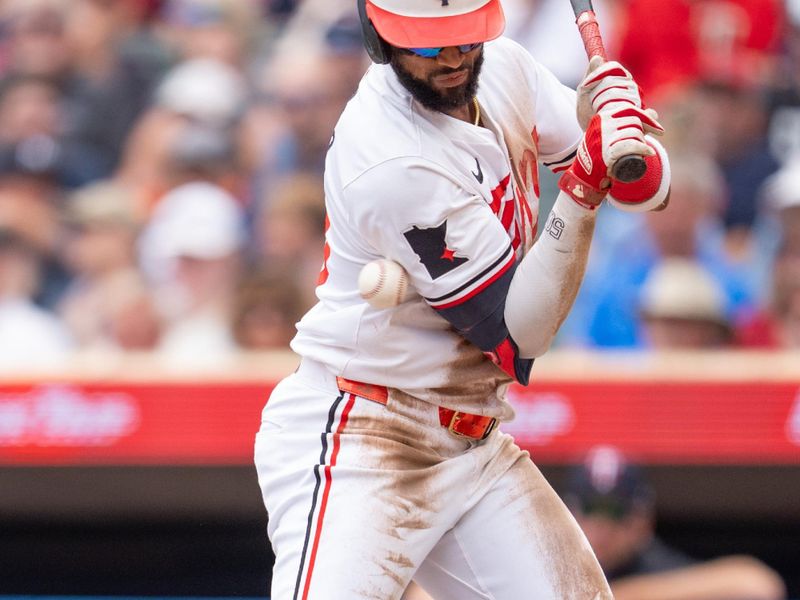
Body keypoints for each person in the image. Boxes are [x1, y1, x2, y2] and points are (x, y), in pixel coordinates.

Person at [253, 0, 670, 598]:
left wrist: (624, 131)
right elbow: (519, 337)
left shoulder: (504, 67)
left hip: (473, 439)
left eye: (463, 37)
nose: (451, 58)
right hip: (366, 435)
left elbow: (646, 190)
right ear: (381, 38)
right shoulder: (389, 157)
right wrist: (580, 188)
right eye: (428, 43)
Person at [563, 446, 787, 600]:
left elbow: (759, 585)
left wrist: (616, 595)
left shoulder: (654, 563)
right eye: (590, 509)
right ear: (570, 513)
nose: (602, 526)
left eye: (615, 512)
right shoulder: (558, 566)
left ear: (643, 519)